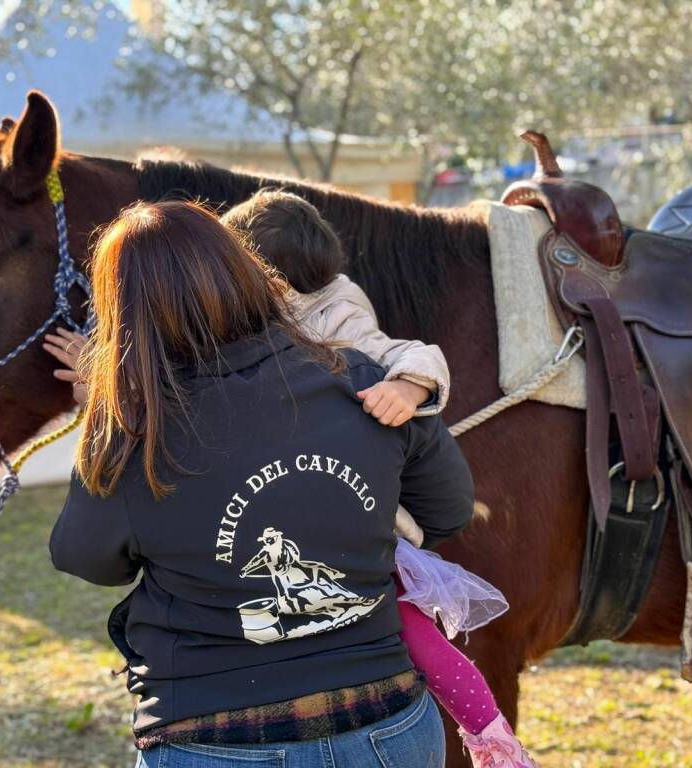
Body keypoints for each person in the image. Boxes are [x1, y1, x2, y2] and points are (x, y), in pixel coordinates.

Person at [45, 200, 475, 767]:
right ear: (245, 271)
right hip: (387, 725)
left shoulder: (135, 433)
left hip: (213, 736)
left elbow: (87, 560)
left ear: (124, 316)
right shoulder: (363, 381)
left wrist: (108, 415)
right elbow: (447, 510)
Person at [218, 189, 536, 768]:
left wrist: (405, 387)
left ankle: (491, 735)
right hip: (286, 499)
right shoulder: (234, 315)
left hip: (348, 512)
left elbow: (417, 354)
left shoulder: (339, 316)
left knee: (411, 628)